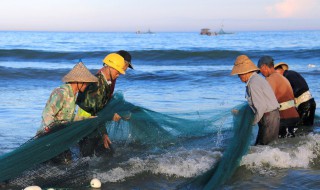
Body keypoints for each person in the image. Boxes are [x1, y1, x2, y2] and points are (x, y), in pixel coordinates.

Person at [36, 62, 98, 163]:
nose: (87, 85)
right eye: (86, 82)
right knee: (58, 162)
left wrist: (86, 119)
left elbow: (70, 118)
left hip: (60, 135)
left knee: (67, 161)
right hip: (48, 136)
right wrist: (51, 132)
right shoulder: (61, 92)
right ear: (79, 81)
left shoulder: (73, 95)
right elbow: (47, 114)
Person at [76, 50, 133, 157]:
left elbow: (98, 110)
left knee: (106, 154)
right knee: (84, 160)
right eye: (118, 72)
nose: (119, 75)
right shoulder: (97, 84)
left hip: (94, 125)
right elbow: (93, 112)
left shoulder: (106, 82)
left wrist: (104, 133)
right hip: (85, 126)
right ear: (110, 67)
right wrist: (111, 116)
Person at [231, 55, 280, 145]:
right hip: (270, 116)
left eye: (239, 74)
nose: (238, 77)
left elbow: (261, 106)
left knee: (264, 147)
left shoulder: (253, 83)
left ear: (244, 72)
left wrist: (252, 122)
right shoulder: (256, 79)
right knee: (264, 147)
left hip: (269, 117)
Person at [257, 56, 300, 138]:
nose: (261, 74)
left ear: (264, 67)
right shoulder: (283, 78)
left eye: (260, 70)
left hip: (285, 118)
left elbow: (266, 101)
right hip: (295, 116)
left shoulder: (270, 79)